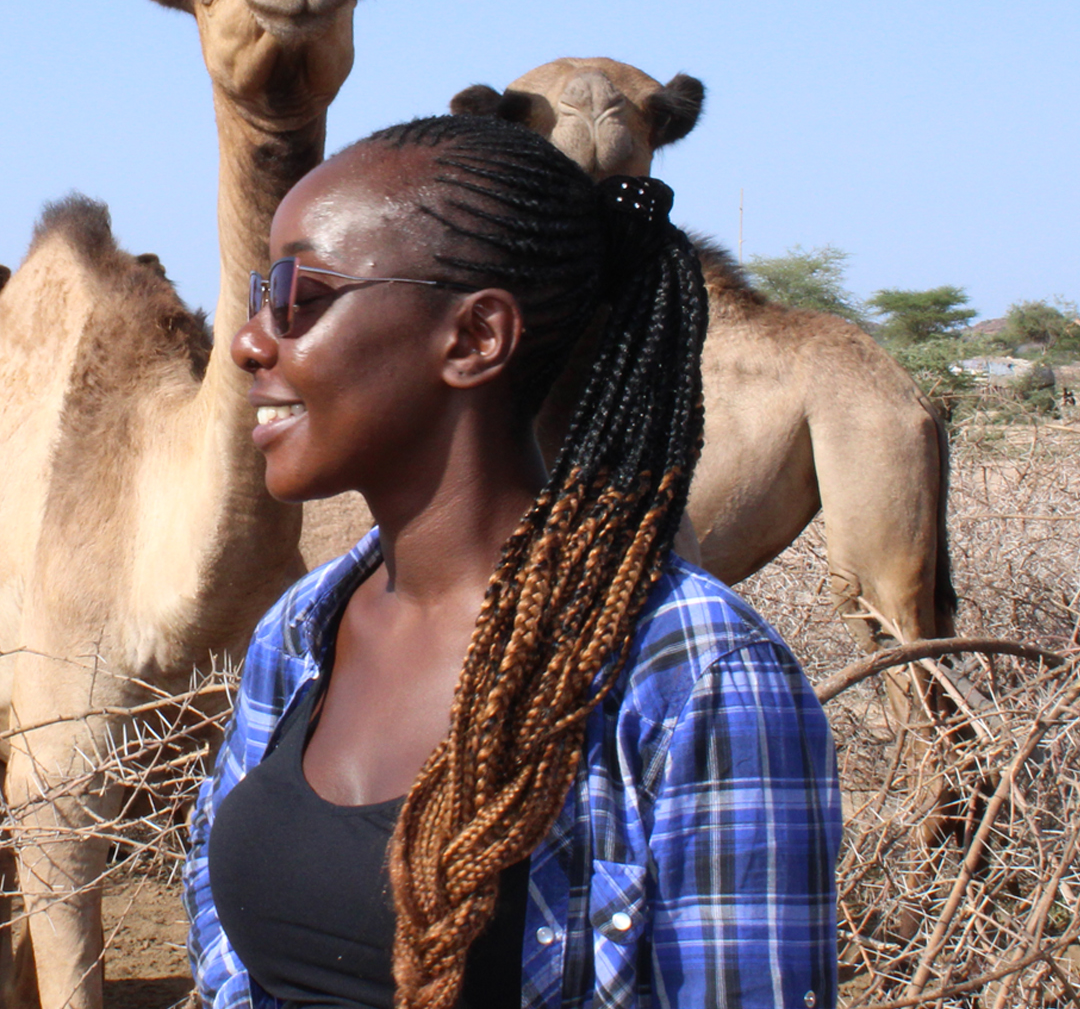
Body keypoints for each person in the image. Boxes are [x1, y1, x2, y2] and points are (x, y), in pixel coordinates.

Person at [185, 115, 840, 1009]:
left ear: (473, 338)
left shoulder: (694, 677)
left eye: (300, 293)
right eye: (262, 292)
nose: (251, 340)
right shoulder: (302, 631)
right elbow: (225, 939)